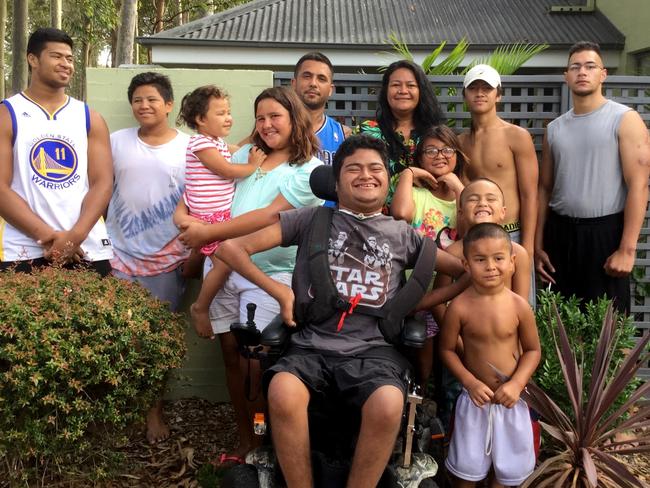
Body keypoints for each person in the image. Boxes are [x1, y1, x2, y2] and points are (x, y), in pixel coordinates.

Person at [216, 135, 466, 488]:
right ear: (335, 181)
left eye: (375, 168)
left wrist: (410, 305)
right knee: (283, 391)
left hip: (375, 350)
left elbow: (463, 271)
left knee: (388, 402)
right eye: (354, 168)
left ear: (388, 180)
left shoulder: (403, 235)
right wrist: (280, 292)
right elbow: (231, 248)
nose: (366, 175)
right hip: (311, 344)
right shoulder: (310, 220)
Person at [179, 86, 323, 465]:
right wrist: (185, 215)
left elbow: (270, 217)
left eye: (275, 116)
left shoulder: (308, 171)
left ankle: (264, 447)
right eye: (260, 117)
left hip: (268, 274)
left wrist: (208, 233)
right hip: (220, 268)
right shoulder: (248, 154)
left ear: (295, 118)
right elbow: (201, 184)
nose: (267, 124)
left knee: (254, 367)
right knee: (229, 357)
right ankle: (245, 440)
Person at [105, 72, 191, 443]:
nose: (144, 106)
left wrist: (197, 254)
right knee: (119, 338)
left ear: (169, 105)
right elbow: (97, 188)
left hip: (168, 260)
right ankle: (121, 412)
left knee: (156, 342)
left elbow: (204, 202)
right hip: (118, 256)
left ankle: (154, 411)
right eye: (138, 99)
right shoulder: (115, 142)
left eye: (153, 99)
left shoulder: (190, 149)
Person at [535, 41, 650, 314]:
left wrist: (627, 249)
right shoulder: (554, 129)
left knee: (609, 326)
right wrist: (537, 246)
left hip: (605, 235)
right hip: (559, 235)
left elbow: (639, 184)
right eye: (575, 67)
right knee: (560, 323)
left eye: (590, 66)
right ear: (566, 76)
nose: (582, 72)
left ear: (603, 74)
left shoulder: (624, 119)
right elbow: (544, 189)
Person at [0, 27, 113, 275]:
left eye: (70, 58)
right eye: (56, 56)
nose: (66, 64)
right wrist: (47, 237)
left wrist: (74, 238)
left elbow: (103, 183)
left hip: (87, 247)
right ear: (33, 59)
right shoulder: (7, 114)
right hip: (24, 250)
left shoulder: (89, 117)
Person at [440, 222, 541, 488]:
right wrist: (469, 382)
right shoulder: (459, 308)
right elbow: (446, 350)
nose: (490, 266)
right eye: (480, 259)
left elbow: (532, 350)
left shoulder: (519, 306)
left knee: (507, 476)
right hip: (475, 401)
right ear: (466, 264)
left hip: (512, 401)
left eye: (498, 258)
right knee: (466, 473)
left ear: (512, 262)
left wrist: (517, 384)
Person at [431, 178, 531, 433]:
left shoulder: (517, 253)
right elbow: (439, 302)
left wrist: (518, 359)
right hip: (461, 349)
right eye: (473, 198)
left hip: (508, 357)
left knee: (508, 422)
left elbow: (523, 303)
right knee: (459, 416)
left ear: (503, 211)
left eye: (490, 198)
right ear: (461, 212)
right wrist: (459, 344)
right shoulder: (451, 253)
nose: (482, 203)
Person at [172, 85, 266, 337]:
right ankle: (200, 308)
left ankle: (193, 269)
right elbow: (225, 170)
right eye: (221, 113)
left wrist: (254, 138)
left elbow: (238, 148)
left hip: (217, 218)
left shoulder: (217, 143)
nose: (229, 118)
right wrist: (252, 166)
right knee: (224, 266)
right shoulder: (200, 143)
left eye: (229, 112)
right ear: (201, 120)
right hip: (209, 219)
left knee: (222, 264)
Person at [391, 124, 467, 383]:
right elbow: (400, 214)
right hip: (418, 286)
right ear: (420, 157)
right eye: (431, 150)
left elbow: (473, 232)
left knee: (452, 351)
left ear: (458, 156)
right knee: (424, 346)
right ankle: (422, 394)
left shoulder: (466, 195)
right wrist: (408, 174)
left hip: (454, 290)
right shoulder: (415, 194)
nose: (440, 155)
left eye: (447, 149)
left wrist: (458, 188)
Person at [459, 64, 538, 260]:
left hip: (511, 234)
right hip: (473, 235)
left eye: (486, 88)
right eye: (473, 88)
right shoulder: (460, 142)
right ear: (464, 95)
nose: (479, 93)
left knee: (516, 292)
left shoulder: (517, 136)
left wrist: (528, 246)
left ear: (498, 95)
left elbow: (530, 195)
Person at [357, 60, 444, 202]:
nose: (403, 91)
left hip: (425, 218)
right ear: (386, 91)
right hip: (376, 216)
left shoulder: (435, 133)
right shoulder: (367, 131)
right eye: (396, 85)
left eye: (411, 85)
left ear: (421, 91)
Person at [291, 51, 351, 165]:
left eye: (321, 79)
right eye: (307, 76)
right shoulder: (276, 129)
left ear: (330, 90)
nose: (313, 83)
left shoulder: (344, 135)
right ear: (294, 84)